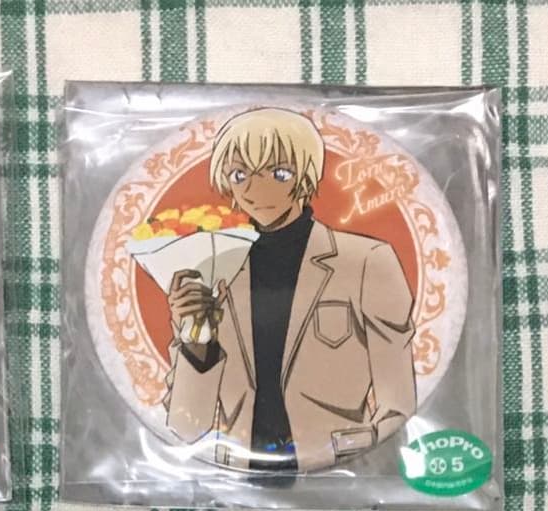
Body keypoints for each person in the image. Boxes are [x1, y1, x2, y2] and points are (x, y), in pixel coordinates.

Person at [164, 107, 417, 472]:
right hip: (235, 472)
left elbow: (399, 403)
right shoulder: (215, 266)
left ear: (306, 174)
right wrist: (196, 339)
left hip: (339, 469)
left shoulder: (367, 261)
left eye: (279, 173)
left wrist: (363, 465)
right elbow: (187, 425)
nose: (256, 190)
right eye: (239, 175)